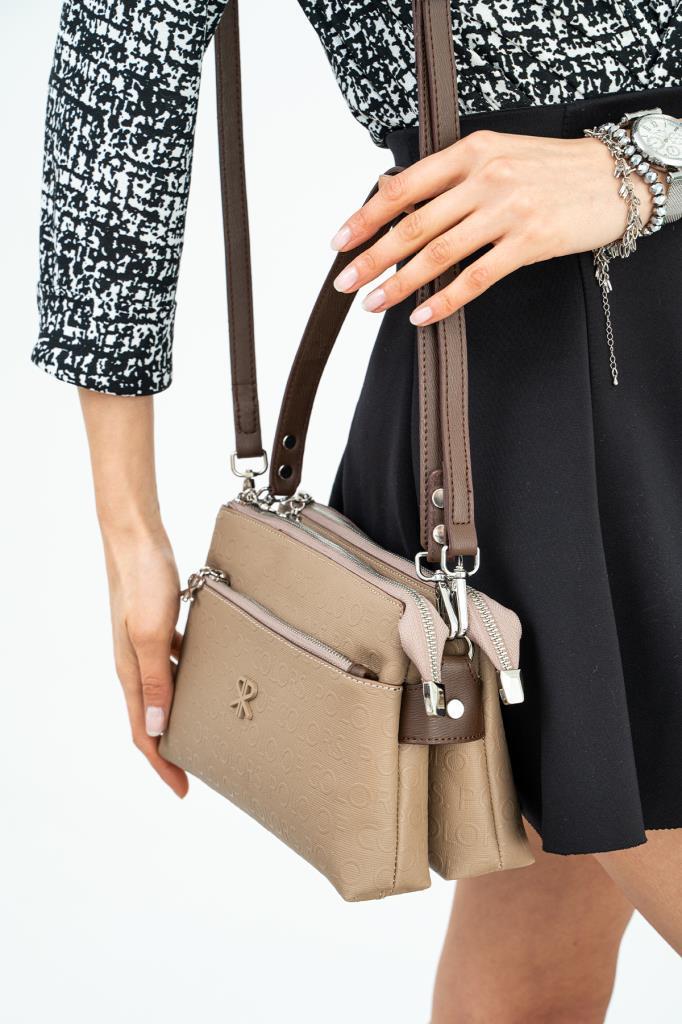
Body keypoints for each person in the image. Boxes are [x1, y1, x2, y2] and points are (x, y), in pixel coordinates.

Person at [34, 2, 682, 1019]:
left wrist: (638, 168)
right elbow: (120, 67)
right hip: (551, 399)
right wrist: (128, 530)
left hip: (587, 368)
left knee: (531, 962)